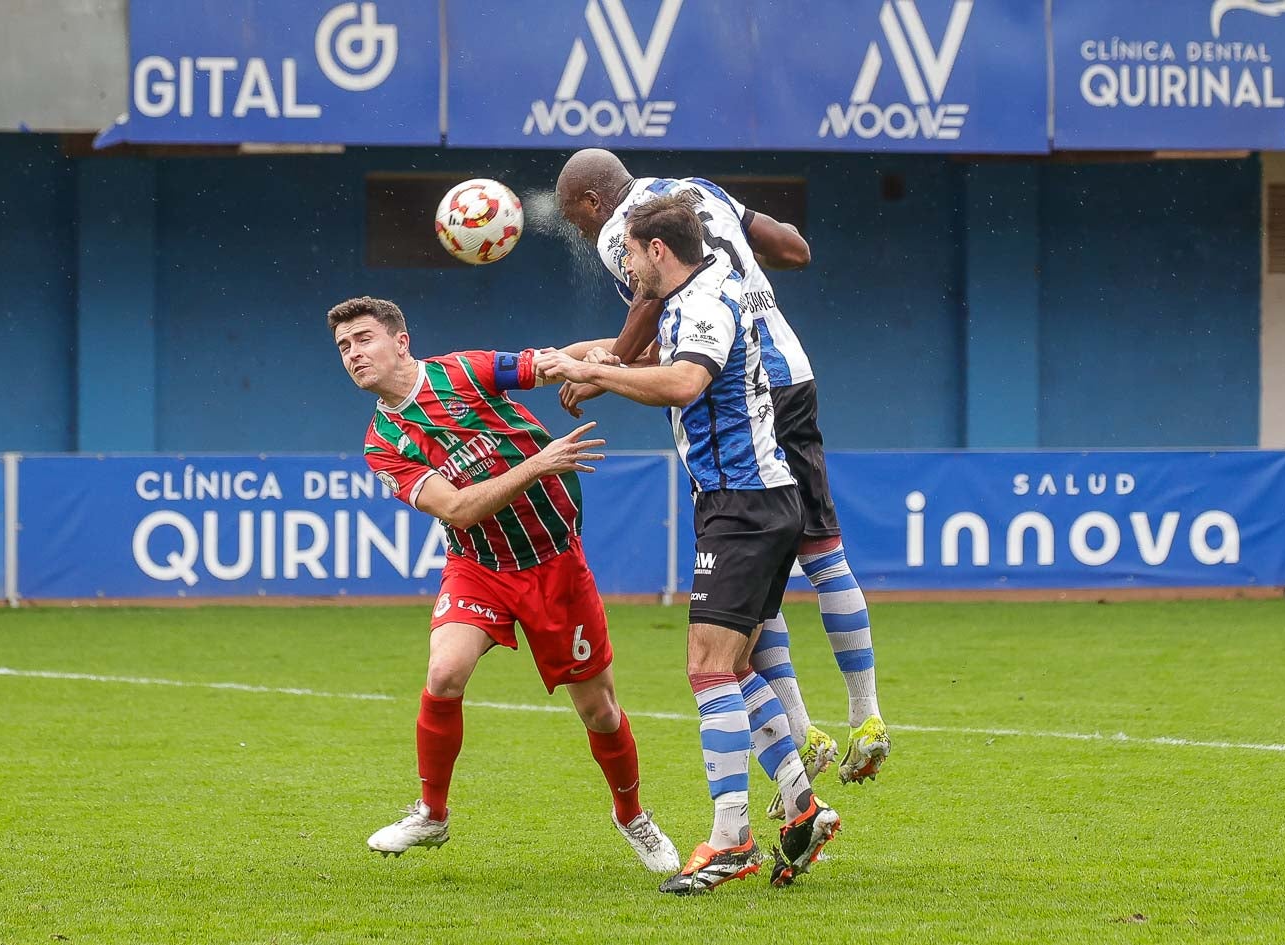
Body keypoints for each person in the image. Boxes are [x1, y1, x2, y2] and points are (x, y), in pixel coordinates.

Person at [555, 149, 890, 812]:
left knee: (741, 592)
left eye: (576, 219)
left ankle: (798, 735)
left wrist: (605, 368)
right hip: (792, 370)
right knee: (820, 553)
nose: (588, 235)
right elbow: (792, 248)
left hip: (732, 398)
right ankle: (864, 715)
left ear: (591, 204)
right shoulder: (695, 188)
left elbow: (654, 312)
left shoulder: (626, 230)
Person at [535, 193, 839, 895]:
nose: (625, 270)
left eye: (630, 256)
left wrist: (600, 373)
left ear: (657, 252)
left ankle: (731, 839)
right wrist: (561, 359)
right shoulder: (693, 292)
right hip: (749, 503)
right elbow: (626, 350)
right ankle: (801, 804)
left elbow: (682, 380)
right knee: (734, 666)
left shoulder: (703, 304)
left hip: (743, 507)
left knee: (706, 669)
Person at [329, 295, 679, 875]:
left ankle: (632, 815)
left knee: (600, 712)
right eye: (344, 347)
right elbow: (459, 509)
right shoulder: (382, 445)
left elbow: (555, 361)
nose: (353, 354)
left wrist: (625, 357)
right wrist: (537, 464)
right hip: (480, 565)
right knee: (444, 672)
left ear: (401, 340)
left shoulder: (466, 371)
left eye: (363, 339)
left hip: (554, 561)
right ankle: (432, 813)